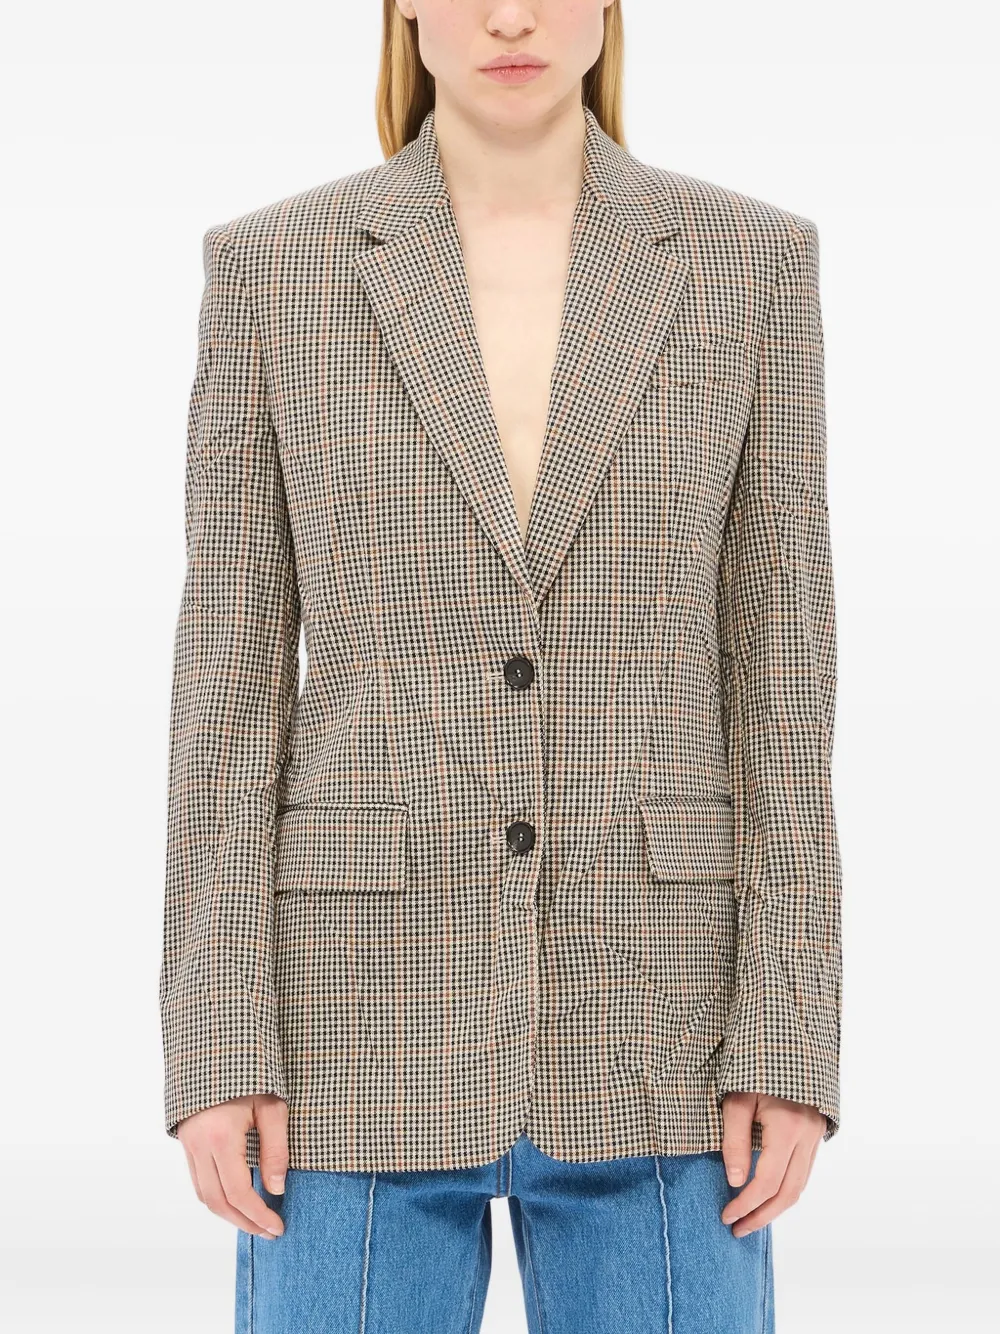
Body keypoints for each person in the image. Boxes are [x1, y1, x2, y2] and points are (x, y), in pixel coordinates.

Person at [158, 2, 843, 1330]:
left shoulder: (748, 261)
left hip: (667, 1012)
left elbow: (785, 666)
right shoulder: (275, 267)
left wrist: (790, 1028)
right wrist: (218, 1036)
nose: (512, 16)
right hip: (349, 1015)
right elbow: (226, 681)